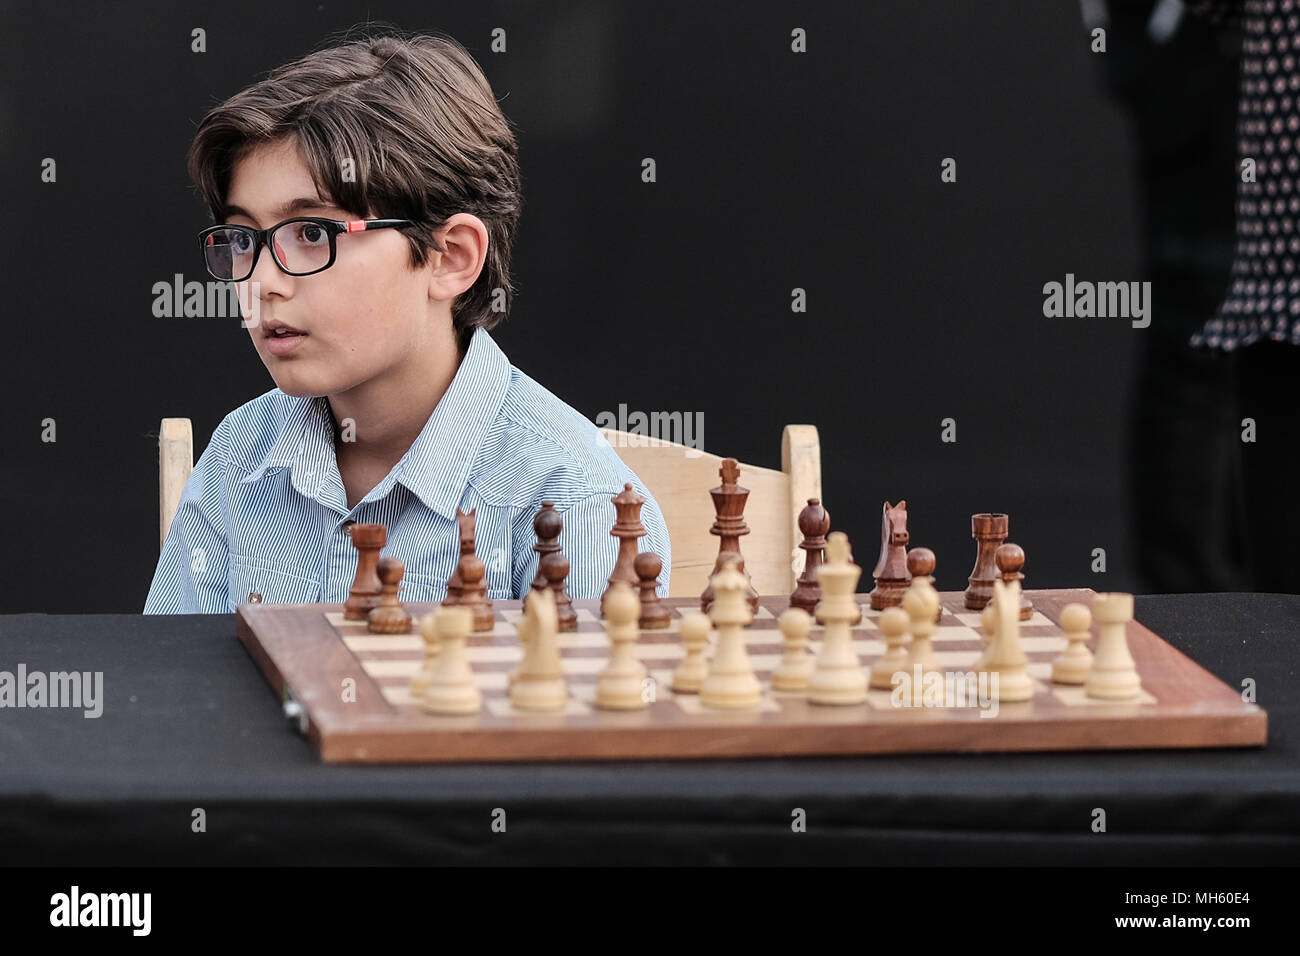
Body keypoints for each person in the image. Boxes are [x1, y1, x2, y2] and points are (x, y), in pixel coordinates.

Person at [144, 28, 670, 613]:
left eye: (313, 233)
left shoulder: (577, 503)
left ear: (452, 258)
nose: (262, 283)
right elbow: (179, 693)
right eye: (244, 238)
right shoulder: (240, 454)